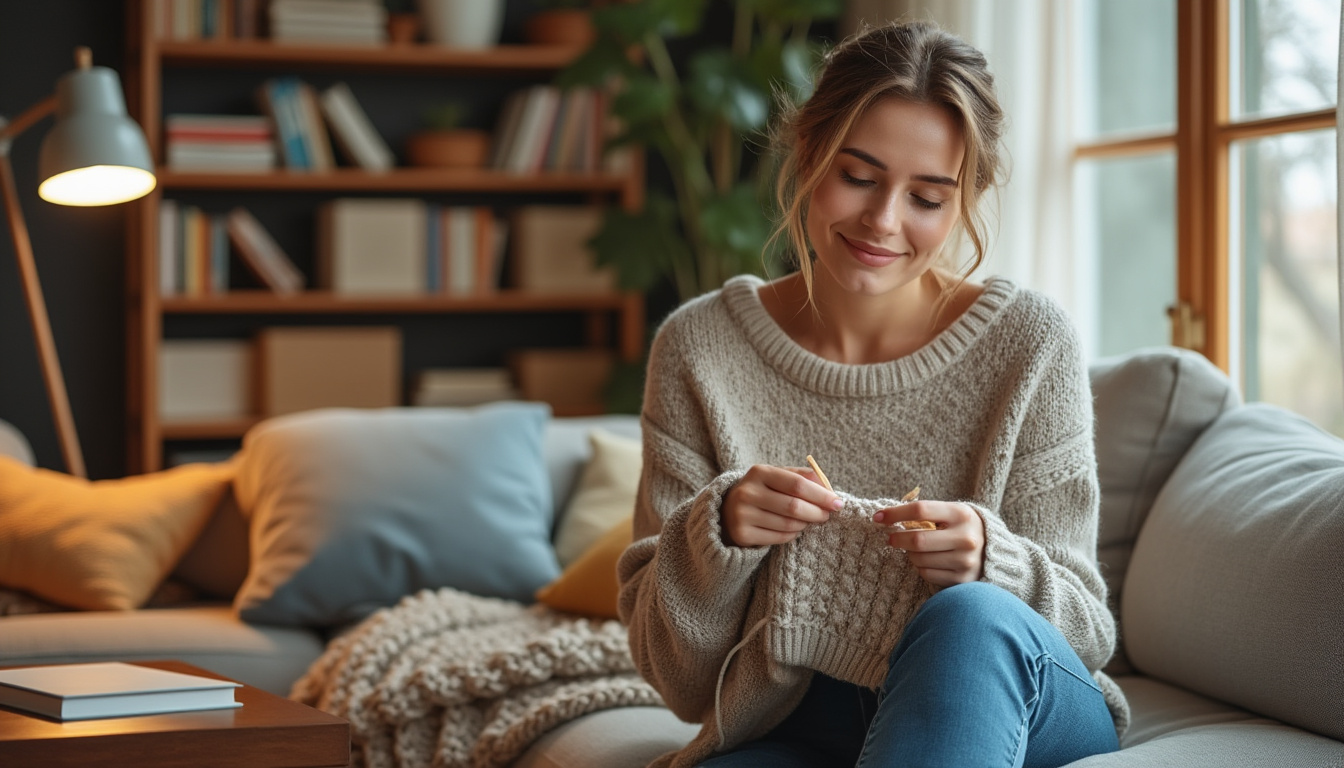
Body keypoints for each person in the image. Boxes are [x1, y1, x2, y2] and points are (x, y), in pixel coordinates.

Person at [616, 19, 1128, 768]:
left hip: (1015, 694)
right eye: (858, 177)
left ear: (965, 203)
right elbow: (677, 681)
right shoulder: (699, 349)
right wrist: (716, 531)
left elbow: (1088, 630)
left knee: (971, 617)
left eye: (926, 197)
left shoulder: (1031, 342)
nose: (883, 221)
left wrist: (996, 563)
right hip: (800, 720)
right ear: (807, 154)